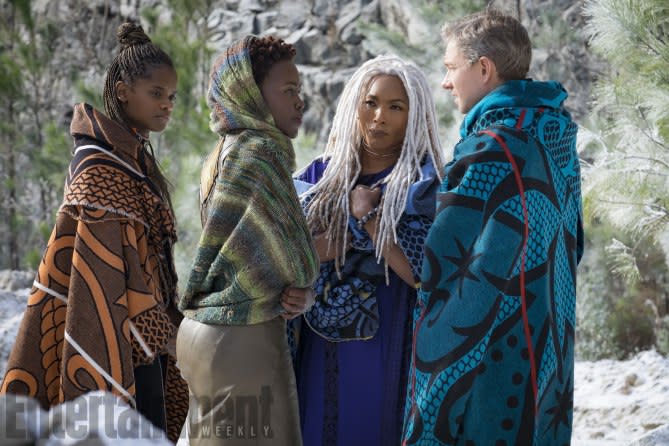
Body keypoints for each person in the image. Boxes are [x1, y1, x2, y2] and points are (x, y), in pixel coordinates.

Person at [402, 8, 584, 446]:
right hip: (549, 361)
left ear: (483, 69)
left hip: (495, 376)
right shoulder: (556, 139)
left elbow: (449, 283)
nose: (445, 83)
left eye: (450, 69)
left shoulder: (490, 149)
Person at [0, 22, 188, 441]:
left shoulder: (132, 161)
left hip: (142, 341)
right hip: (121, 342)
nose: (167, 105)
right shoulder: (100, 169)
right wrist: (169, 340)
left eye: (171, 97)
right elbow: (106, 277)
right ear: (123, 92)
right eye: (156, 94)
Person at [293, 54, 444, 446]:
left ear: (415, 116)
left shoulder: (423, 184)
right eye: (371, 102)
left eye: (396, 107)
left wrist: (371, 217)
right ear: (353, 105)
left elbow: (422, 273)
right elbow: (288, 254)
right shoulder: (318, 178)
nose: (380, 116)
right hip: (316, 339)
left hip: (389, 338)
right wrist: (347, 228)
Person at [176, 35, 319, 446]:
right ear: (251, 95)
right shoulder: (261, 152)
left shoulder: (222, 152)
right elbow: (298, 261)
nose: (299, 101)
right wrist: (305, 283)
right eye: (288, 90)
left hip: (203, 334)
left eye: (300, 91)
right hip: (243, 339)